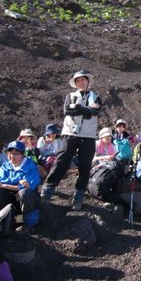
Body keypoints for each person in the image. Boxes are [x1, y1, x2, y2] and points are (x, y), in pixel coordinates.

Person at [40, 70, 102, 211]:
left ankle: (79, 195)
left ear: (87, 81)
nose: (80, 82)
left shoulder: (96, 97)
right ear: (75, 83)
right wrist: (86, 109)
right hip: (70, 133)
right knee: (61, 160)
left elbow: (96, 112)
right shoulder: (70, 96)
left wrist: (78, 108)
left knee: (85, 166)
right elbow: (68, 111)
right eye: (78, 80)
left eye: (83, 80)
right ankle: (48, 190)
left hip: (88, 135)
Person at [0, 141, 40, 234]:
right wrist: (18, 181)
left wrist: (5, 185)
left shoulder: (30, 166)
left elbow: (27, 187)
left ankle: (29, 224)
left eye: (16, 153)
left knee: (24, 192)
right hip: (11, 198)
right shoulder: (6, 166)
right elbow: (1, 180)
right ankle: (6, 219)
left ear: (22, 155)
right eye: (10, 153)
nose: (11, 156)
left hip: (28, 200)